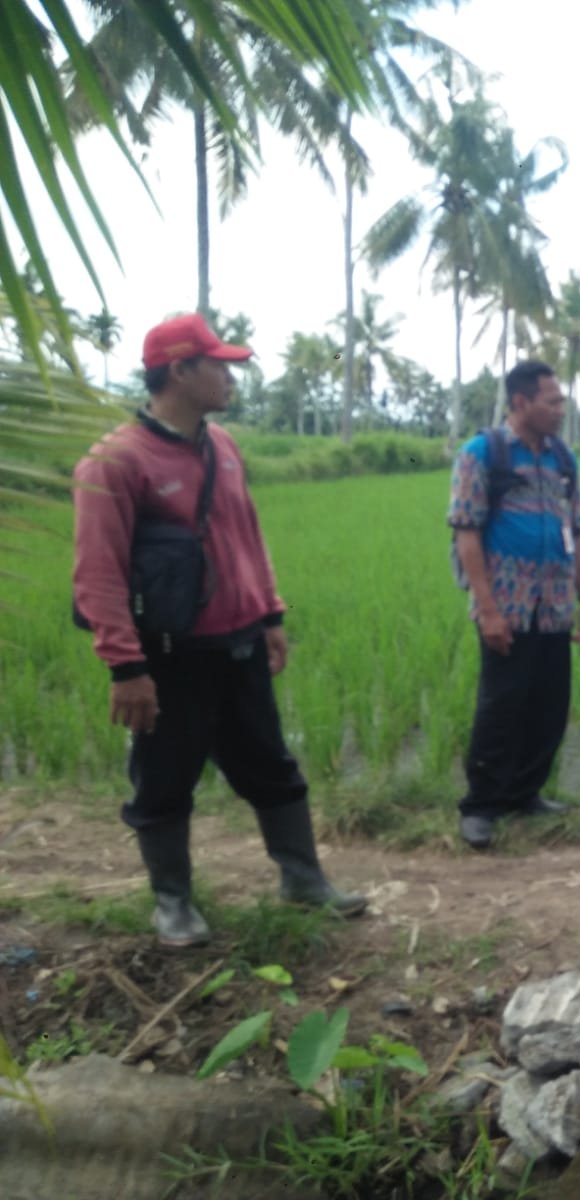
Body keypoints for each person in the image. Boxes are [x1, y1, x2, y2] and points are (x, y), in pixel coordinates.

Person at [72, 313, 366, 949]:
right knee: (164, 779)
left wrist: (270, 614)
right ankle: (173, 901)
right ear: (180, 371)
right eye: (219, 365)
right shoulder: (116, 462)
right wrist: (126, 667)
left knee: (271, 764)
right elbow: (97, 574)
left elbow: (247, 536)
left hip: (240, 645)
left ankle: (303, 879)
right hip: (170, 657)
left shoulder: (223, 446)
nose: (232, 378)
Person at [449, 360, 580, 851]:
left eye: (561, 400)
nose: (561, 409)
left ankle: (524, 794)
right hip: (506, 604)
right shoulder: (483, 454)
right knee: (501, 705)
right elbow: (467, 532)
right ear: (521, 403)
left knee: (549, 705)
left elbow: (577, 530)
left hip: (554, 603)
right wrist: (487, 609)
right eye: (552, 401)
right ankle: (480, 806)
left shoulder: (563, 459)